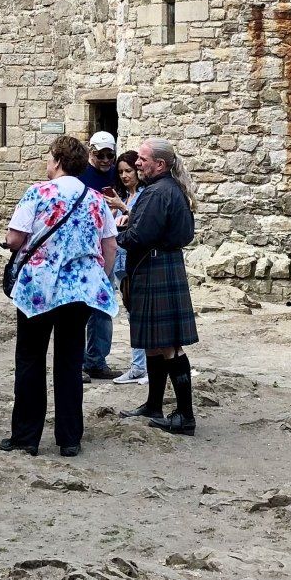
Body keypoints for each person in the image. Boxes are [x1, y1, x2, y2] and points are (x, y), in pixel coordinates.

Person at [0, 135, 119, 457]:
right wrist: (99, 277)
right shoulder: (95, 199)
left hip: (38, 288)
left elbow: (14, 239)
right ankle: (69, 438)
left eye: (51, 157)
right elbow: (110, 244)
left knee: (30, 358)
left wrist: (16, 244)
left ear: (58, 161)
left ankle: (26, 436)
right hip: (79, 290)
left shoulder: (38, 192)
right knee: (69, 362)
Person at [117, 136, 200, 435]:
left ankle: (185, 416)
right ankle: (154, 404)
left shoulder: (157, 193)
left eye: (142, 159)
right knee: (154, 343)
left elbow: (140, 236)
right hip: (161, 265)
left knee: (168, 345)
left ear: (159, 164)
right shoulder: (168, 189)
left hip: (155, 268)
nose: (137, 163)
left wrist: (116, 235)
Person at [79, 130, 123, 380]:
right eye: (100, 155)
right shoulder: (82, 175)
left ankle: (96, 360)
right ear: (90, 152)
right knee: (79, 310)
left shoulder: (117, 172)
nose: (106, 160)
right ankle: (75, 363)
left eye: (110, 155)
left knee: (104, 309)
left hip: (107, 246)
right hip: (86, 248)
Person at [107, 151, 151, 385]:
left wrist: (123, 207)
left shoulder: (144, 195)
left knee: (138, 314)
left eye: (128, 171)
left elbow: (143, 221)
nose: (124, 176)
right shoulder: (125, 195)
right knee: (130, 312)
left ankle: (140, 367)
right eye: (121, 172)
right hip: (120, 260)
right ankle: (140, 365)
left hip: (136, 260)